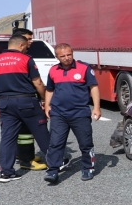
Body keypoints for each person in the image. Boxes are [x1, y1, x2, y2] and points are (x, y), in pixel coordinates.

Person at [0, 35, 50, 183]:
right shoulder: (26, 59)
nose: (27, 48)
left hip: (5, 103)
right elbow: (38, 82)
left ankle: (6, 172)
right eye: (26, 45)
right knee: (41, 131)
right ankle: (56, 162)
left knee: (7, 137)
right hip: (26, 101)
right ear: (20, 45)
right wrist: (45, 99)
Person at [43, 43, 101, 183]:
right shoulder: (53, 70)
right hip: (58, 113)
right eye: (62, 56)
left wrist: (96, 107)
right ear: (57, 57)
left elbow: (93, 87)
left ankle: (88, 168)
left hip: (79, 113)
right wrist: (47, 106)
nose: (67, 58)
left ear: (72, 53)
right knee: (55, 143)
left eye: (69, 54)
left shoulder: (84, 68)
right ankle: (53, 170)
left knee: (85, 143)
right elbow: (50, 89)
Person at [11, 28, 47, 170]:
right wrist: (45, 98)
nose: (30, 41)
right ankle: (26, 159)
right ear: (20, 41)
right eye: (28, 39)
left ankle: (25, 155)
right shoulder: (22, 58)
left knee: (23, 132)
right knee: (26, 131)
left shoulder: (10, 57)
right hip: (24, 100)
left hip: (14, 100)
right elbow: (35, 81)